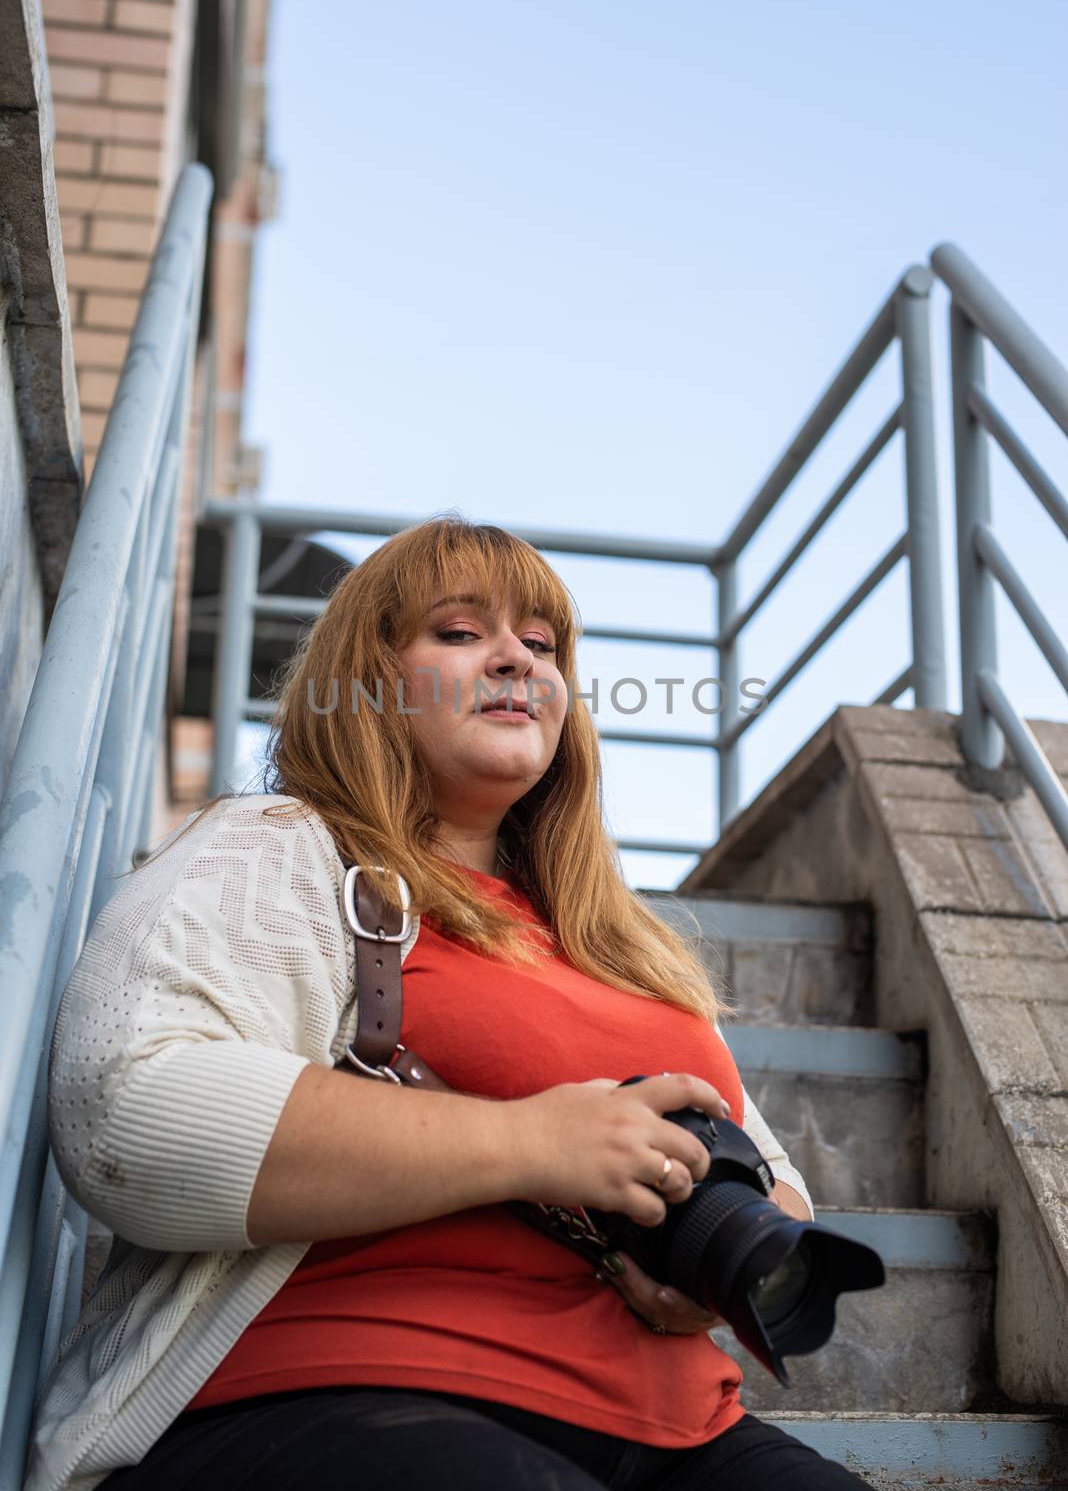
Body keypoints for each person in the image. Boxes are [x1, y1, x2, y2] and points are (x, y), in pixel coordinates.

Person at [27, 516, 874, 1491]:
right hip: (336, 1388)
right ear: (372, 680)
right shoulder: (282, 848)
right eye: (461, 632)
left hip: (682, 1424)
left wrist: (714, 1269)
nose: (515, 655)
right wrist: (532, 1142)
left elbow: (773, 1173)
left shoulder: (627, 944)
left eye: (542, 643)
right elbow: (126, 1100)